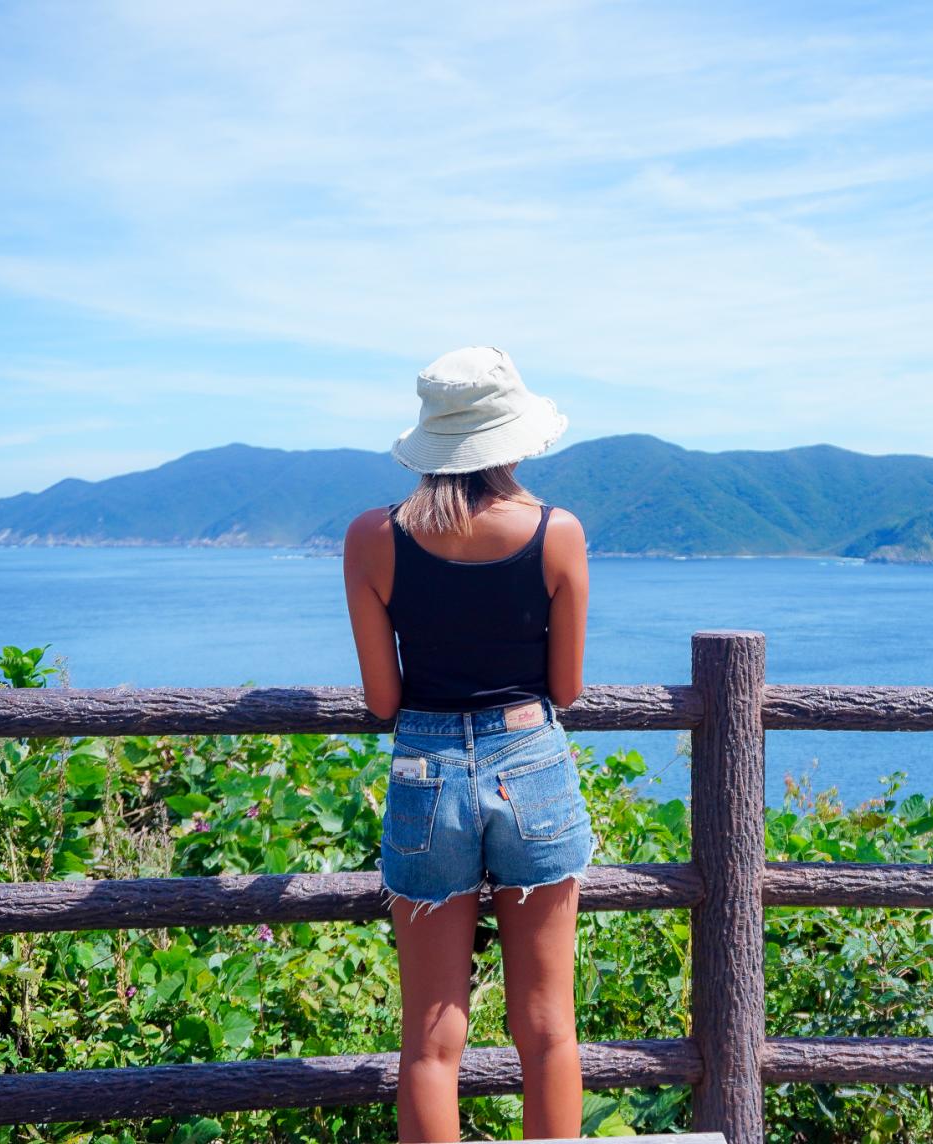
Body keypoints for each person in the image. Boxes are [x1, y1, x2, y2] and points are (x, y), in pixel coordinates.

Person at [341, 346, 592, 1142]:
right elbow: (566, 689)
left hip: (425, 771)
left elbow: (384, 697)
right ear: (509, 440)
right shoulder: (556, 532)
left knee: (430, 1036)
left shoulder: (371, 537)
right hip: (531, 763)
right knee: (547, 1026)